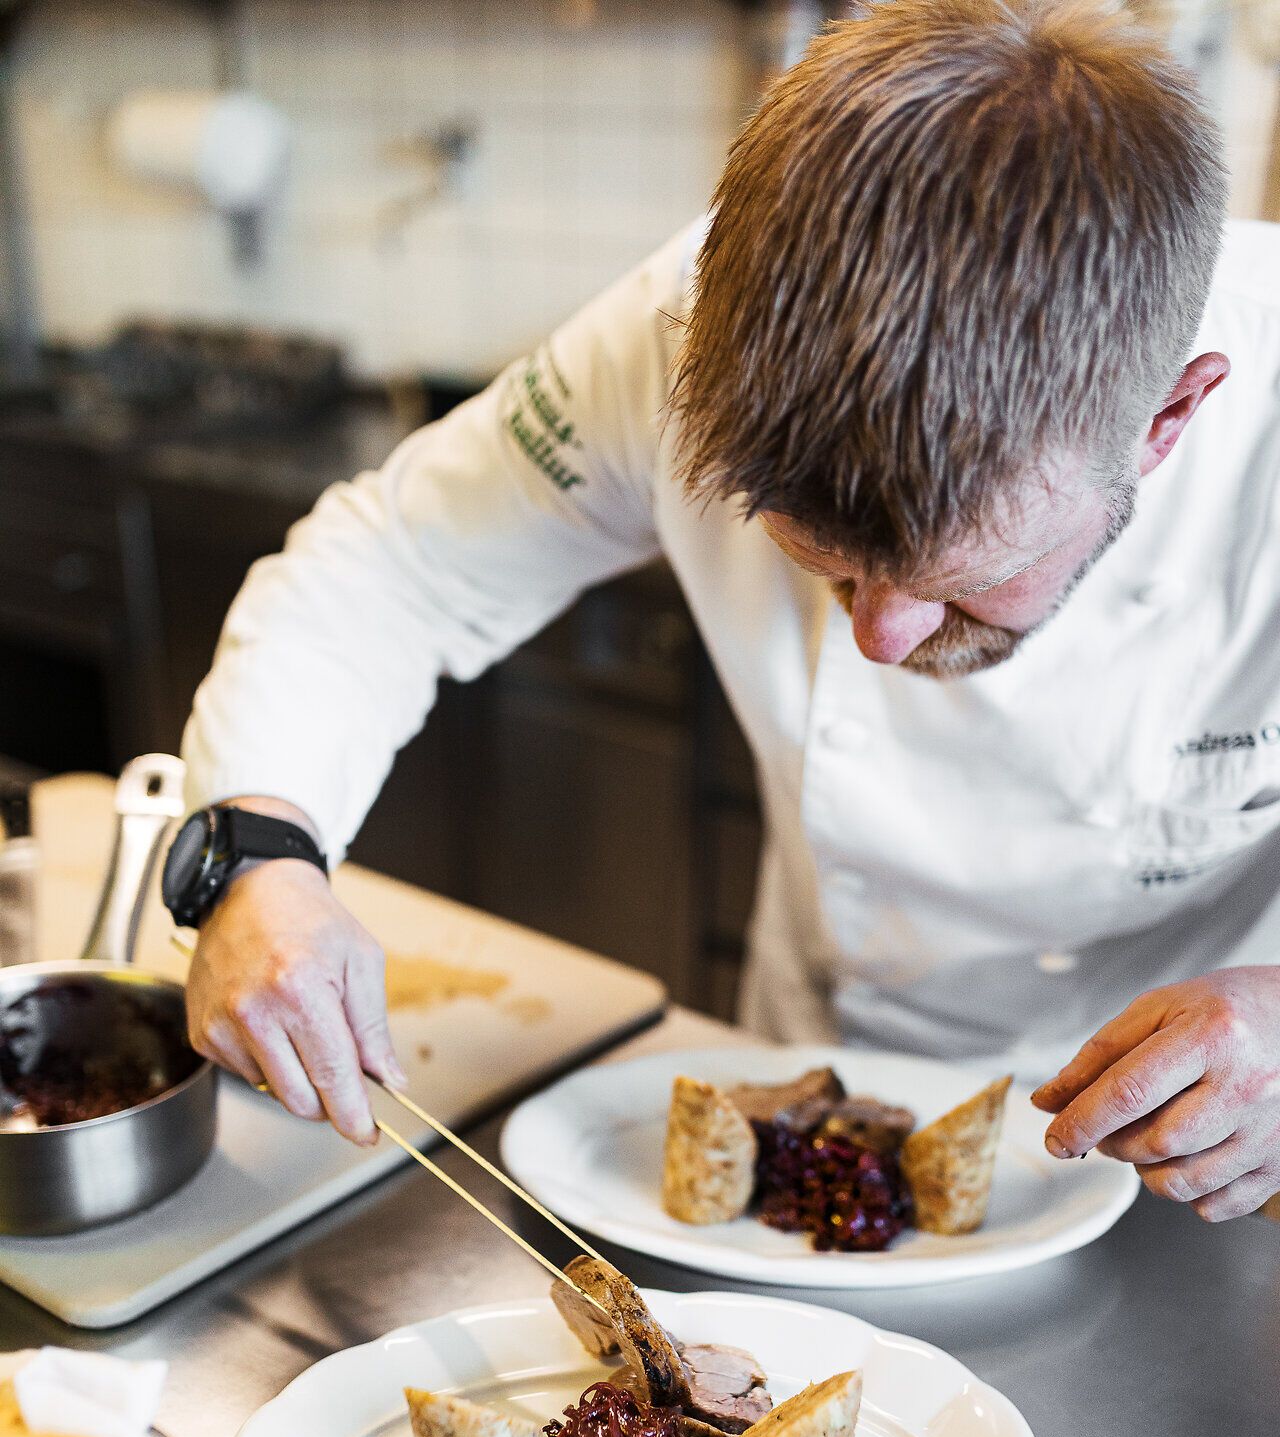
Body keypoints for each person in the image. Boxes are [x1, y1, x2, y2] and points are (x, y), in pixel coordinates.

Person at [174, 0, 1280, 1223]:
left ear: (1167, 418)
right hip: (805, 1099)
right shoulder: (683, 323)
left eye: (963, 579)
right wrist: (258, 856)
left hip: (1202, 1157)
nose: (880, 639)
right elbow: (394, 566)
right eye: (829, 569)